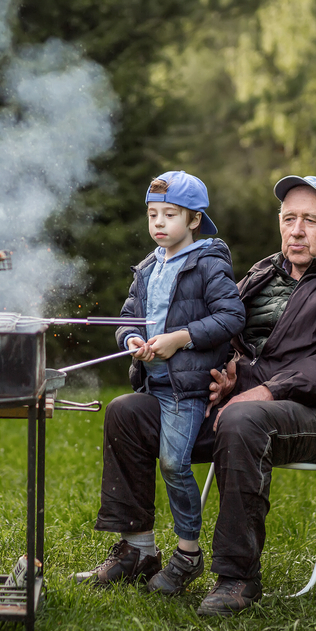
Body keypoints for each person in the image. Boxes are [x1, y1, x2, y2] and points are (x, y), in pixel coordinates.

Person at [92, 175, 316, 617]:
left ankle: (237, 577)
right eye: (289, 218)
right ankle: (136, 550)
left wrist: (269, 388)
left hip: (311, 416)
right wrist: (224, 370)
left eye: (310, 220)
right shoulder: (262, 272)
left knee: (244, 419)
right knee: (129, 411)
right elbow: (224, 328)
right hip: (230, 404)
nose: (296, 230)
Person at [73, 171, 245, 595]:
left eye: (170, 214)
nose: (159, 223)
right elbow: (128, 316)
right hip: (153, 389)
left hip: (187, 392)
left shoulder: (209, 262)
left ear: (194, 220)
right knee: (122, 415)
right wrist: (131, 338)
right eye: (153, 214)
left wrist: (179, 339)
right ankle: (137, 549)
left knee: (173, 463)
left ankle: (187, 555)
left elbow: (231, 317)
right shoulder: (149, 266)